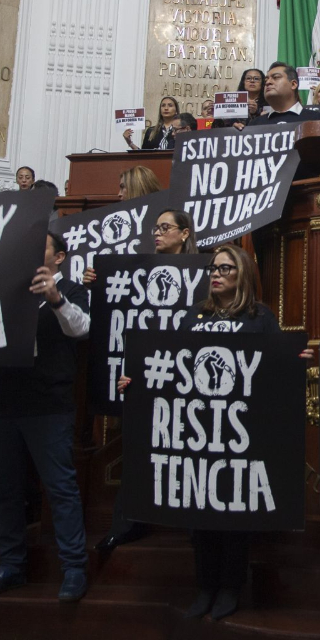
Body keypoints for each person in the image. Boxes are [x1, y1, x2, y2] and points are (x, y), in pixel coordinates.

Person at [117, 244, 312, 618]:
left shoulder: (260, 318)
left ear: (242, 275)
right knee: (200, 515)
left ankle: (230, 588)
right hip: (196, 430)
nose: (216, 274)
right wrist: (137, 383)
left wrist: (295, 361)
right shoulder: (193, 316)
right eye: (213, 268)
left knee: (234, 517)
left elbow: (273, 369)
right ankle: (205, 586)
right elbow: (174, 367)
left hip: (240, 432)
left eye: (225, 268)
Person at [0, 232, 93, 601]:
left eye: (41, 245)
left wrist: (55, 300)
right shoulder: (3, 288)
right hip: (0, 404)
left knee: (60, 488)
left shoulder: (70, 290)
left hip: (47, 405)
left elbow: (81, 329)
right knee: (4, 490)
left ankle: (73, 568)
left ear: (59, 258)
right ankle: (11, 566)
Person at [92, 210, 198, 552]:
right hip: (145, 373)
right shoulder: (136, 271)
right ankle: (127, 523)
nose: (157, 233)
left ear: (184, 234)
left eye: (165, 228)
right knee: (137, 449)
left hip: (186, 375)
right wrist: (99, 282)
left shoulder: (204, 273)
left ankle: (193, 520)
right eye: (156, 228)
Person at [246, 62, 320, 127]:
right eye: (266, 80)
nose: (268, 82)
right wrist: (235, 132)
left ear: (293, 84)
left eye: (276, 77)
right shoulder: (255, 124)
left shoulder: (316, 119)